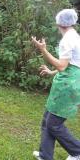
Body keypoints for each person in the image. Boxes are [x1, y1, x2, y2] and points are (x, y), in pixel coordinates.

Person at [32, 9, 80, 160]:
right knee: (47, 120)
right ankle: (45, 156)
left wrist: (43, 50)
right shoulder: (75, 36)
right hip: (67, 82)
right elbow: (72, 65)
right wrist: (51, 72)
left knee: (54, 124)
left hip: (67, 86)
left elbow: (62, 66)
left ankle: (77, 151)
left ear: (59, 23)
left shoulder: (68, 40)